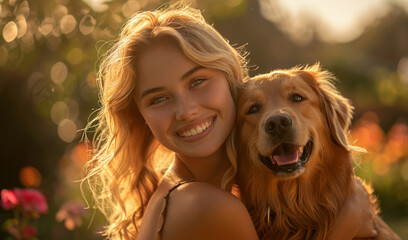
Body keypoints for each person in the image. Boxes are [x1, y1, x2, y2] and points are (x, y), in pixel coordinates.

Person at [83, 2, 377, 240]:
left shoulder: (175, 191)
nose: (185, 111)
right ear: (142, 117)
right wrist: (348, 221)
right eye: (158, 99)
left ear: (233, 81)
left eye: (197, 81)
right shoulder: (208, 206)